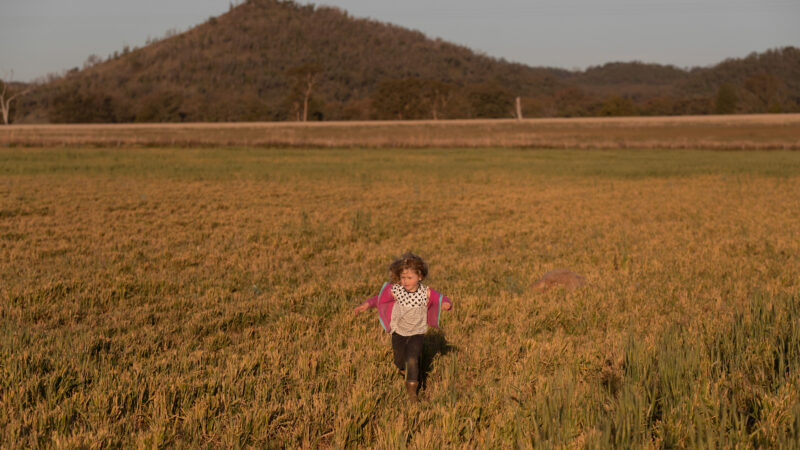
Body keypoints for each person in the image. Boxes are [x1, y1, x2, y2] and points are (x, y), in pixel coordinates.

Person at [353, 253, 452, 402]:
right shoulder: (397, 290)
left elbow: (441, 298)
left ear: (419, 276)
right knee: (399, 360)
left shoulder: (426, 292)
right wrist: (367, 304)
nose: (405, 281)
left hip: (417, 332)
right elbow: (379, 299)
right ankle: (407, 370)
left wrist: (445, 304)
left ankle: (412, 393)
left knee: (412, 357)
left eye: (409, 278)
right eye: (403, 277)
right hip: (398, 331)